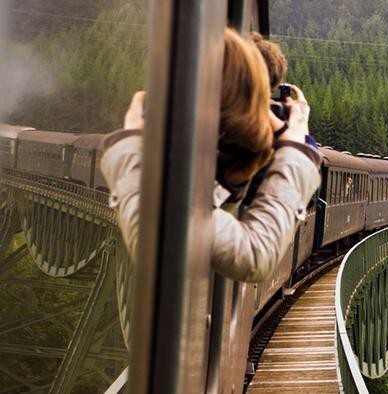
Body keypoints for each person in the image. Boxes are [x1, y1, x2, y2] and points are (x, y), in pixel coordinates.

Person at [100, 27, 320, 282]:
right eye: (253, 106)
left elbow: (213, 216)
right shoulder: (177, 203)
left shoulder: (179, 177)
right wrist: (294, 147)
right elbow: (254, 255)